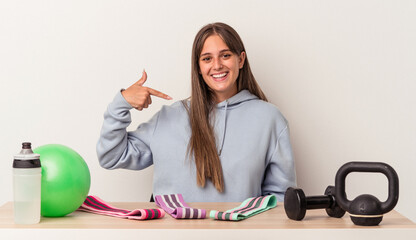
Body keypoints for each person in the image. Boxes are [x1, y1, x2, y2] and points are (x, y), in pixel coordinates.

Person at [97, 22, 296, 202]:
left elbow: (279, 199)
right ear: (198, 67)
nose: (217, 65)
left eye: (225, 55)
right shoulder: (169, 118)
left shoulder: (269, 119)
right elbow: (111, 156)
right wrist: (121, 103)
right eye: (207, 58)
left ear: (241, 60)